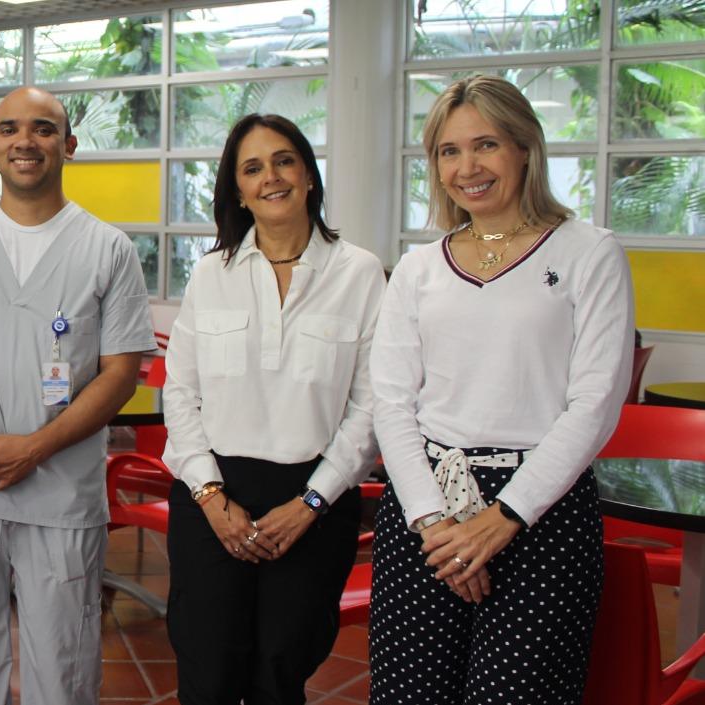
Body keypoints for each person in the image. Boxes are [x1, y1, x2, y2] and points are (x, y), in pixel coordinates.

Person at [368, 74, 633, 704]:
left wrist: (500, 519)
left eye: (485, 145)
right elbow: (392, 403)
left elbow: (594, 404)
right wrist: (439, 527)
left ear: (524, 148)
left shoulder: (590, 253)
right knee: (410, 694)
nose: (468, 167)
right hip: (424, 515)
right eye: (449, 151)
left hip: (541, 517)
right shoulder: (418, 267)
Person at [0, 86, 157, 705]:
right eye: (9, 129)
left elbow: (119, 373)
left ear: (69, 145)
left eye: (44, 129)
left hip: (60, 490)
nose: (25, 142)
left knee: (65, 663)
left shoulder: (109, 249)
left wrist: (33, 448)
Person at [160, 114, 383, 705]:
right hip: (214, 497)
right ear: (238, 191)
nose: (271, 177)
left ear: (308, 175)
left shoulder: (359, 273)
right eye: (252, 168)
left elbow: (371, 405)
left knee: (280, 673)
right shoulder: (212, 273)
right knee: (207, 674)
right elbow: (179, 393)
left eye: (284, 161)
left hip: (312, 499)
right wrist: (210, 497)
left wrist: (310, 503)